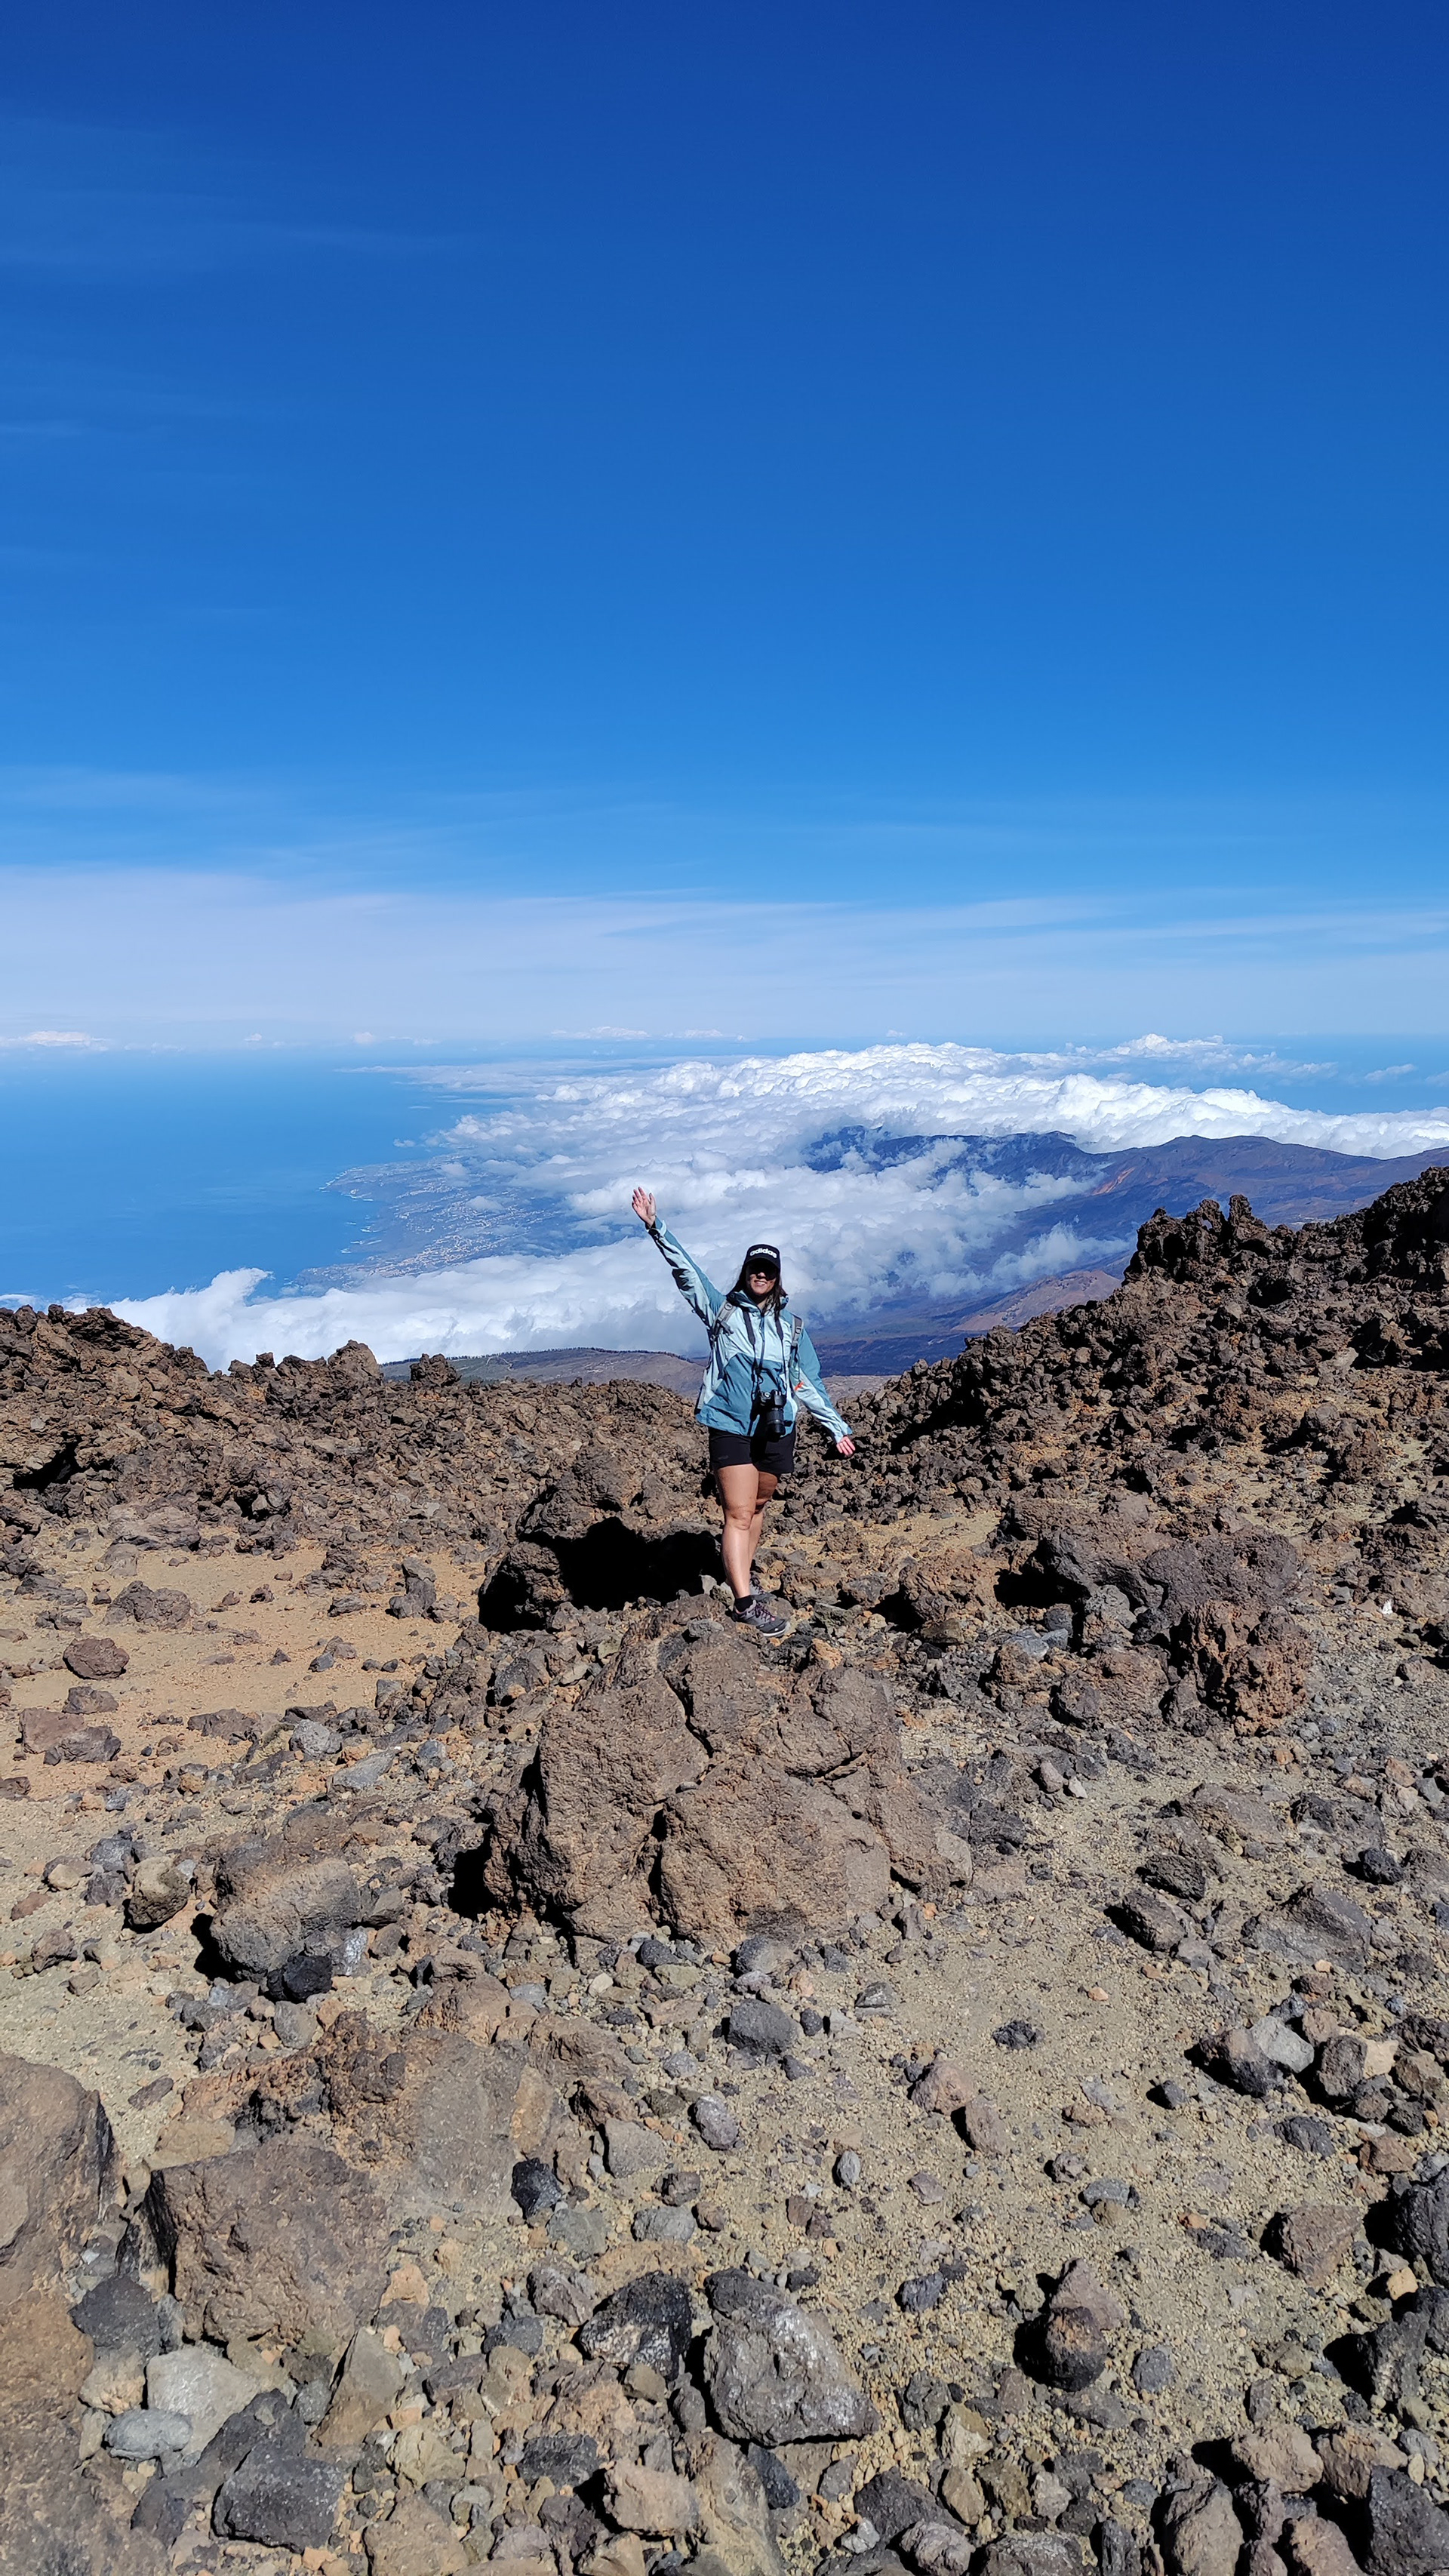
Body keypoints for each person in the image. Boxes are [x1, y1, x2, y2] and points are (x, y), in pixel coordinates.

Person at [632, 1188, 855, 1633]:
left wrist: (835, 1427)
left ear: (776, 1278)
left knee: (757, 1505)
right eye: (755, 1268)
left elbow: (808, 1381)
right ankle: (744, 1600)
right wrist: (656, 1228)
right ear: (745, 1272)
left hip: (777, 1427)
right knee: (736, 1511)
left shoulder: (792, 1328)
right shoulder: (723, 1312)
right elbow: (687, 1274)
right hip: (731, 1424)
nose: (760, 1276)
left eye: (768, 1271)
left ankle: (742, 1573)